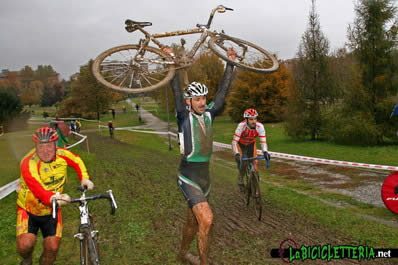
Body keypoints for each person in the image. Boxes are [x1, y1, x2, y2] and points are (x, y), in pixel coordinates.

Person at [172, 49, 236, 265]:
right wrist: (171, 61)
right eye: (196, 99)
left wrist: (230, 63)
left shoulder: (209, 113)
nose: (201, 102)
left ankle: (182, 253)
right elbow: (175, 88)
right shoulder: (183, 116)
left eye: (203, 98)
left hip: (205, 178)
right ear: (188, 101)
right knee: (207, 219)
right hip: (188, 176)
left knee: (194, 222)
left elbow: (222, 92)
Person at [16, 127, 94, 265]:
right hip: (28, 210)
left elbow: (77, 161)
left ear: (55, 145)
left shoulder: (62, 154)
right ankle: (27, 259)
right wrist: (53, 198)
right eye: (41, 146)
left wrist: (84, 178)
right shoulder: (28, 162)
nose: (45, 151)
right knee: (25, 246)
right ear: (35, 147)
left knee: (52, 249)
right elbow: (36, 186)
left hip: (52, 211)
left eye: (49, 146)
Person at [232, 108, 271, 190]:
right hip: (240, 144)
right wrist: (236, 154)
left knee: (255, 164)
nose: (254, 121)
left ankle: (256, 188)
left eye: (255, 118)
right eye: (251, 119)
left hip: (251, 144)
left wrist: (265, 152)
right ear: (246, 120)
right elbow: (234, 142)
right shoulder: (241, 126)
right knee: (243, 163)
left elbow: (263, 142)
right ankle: (241, 179)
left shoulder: (260, 126)